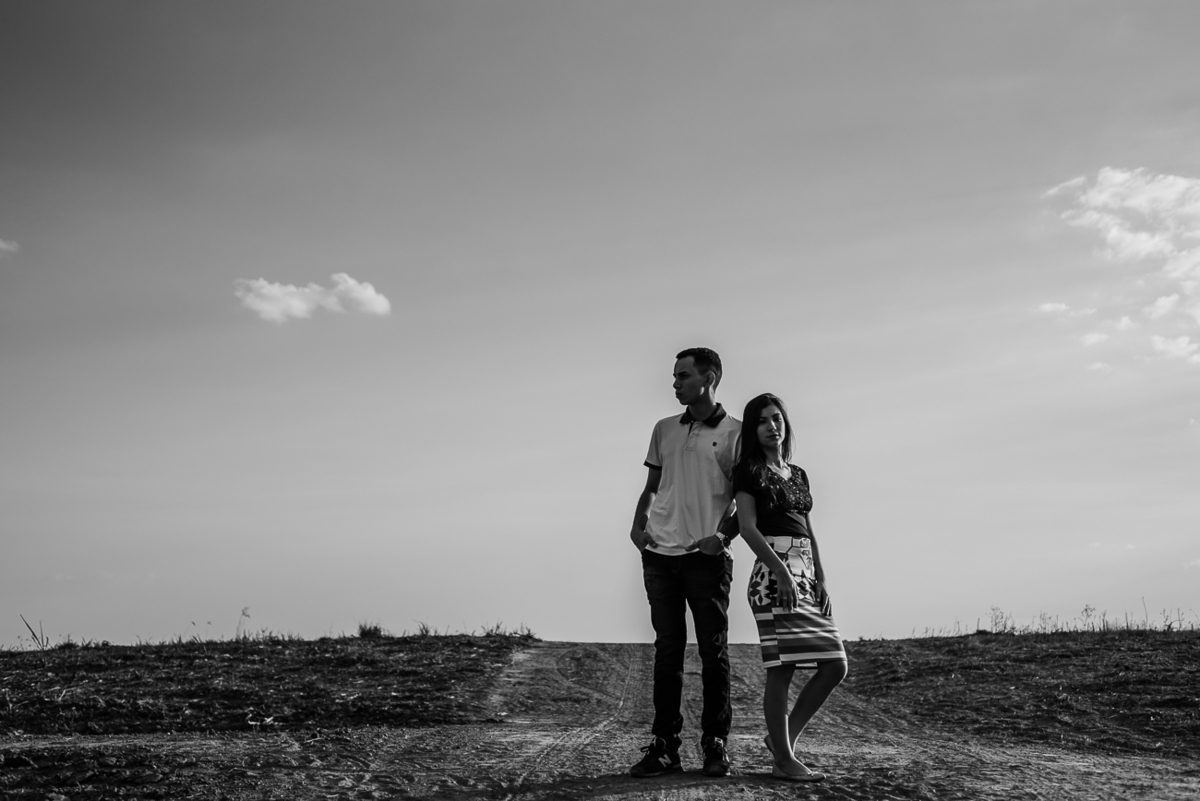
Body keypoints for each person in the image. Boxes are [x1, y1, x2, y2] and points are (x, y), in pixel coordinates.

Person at [628, 347, 741, 779]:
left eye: (683, 376)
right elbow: (652, 485)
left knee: (713, 654)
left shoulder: (736, 433)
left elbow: (744, 501)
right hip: (658, 557)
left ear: (708, 378)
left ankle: (715, 744)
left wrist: (722, 538)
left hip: (705, 559)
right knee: (667, 653)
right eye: (675, 377)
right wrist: (638, 527)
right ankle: (664, 748)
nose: (675, 383)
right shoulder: (663, 429)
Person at [732, 392, 847, 783]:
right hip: (772, 573)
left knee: (835, 665)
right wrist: (779, 569)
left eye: (777, 418)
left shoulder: (798, 474)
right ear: (753, 429)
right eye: (763, 421)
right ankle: (784, 759)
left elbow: (808, 531)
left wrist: (822, 579)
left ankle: (782, 741)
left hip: (806, 572)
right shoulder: (748, 470)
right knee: (783, 668)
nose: (772, 426)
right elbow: (747, 528)